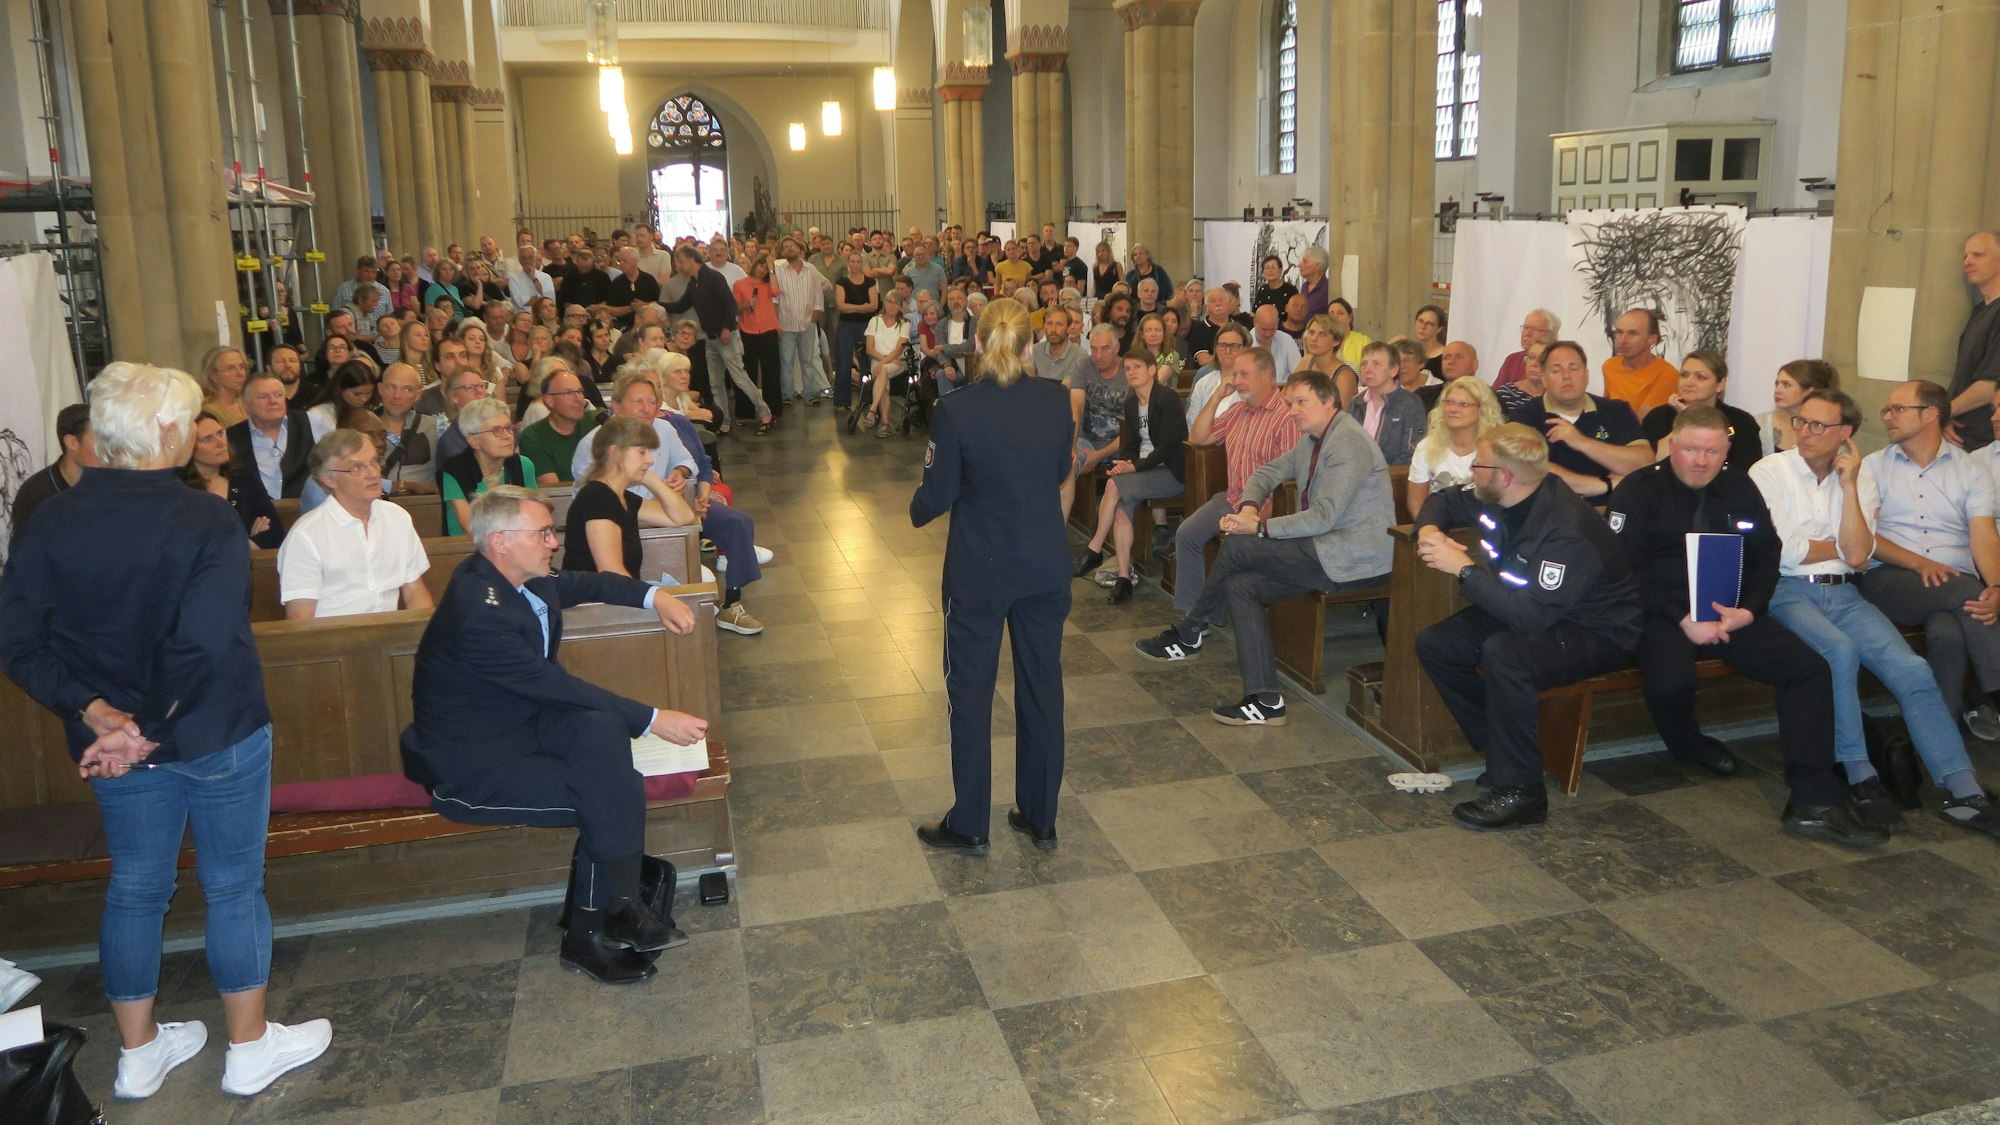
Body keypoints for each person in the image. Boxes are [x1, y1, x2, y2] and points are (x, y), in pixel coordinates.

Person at [0, 362, 333, 1099]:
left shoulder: (49, 518)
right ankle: (248, 1046)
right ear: (161, 431)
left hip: (113, 747)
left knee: (137, 887)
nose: (190, 432)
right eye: (185, 419)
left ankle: (138, 1051)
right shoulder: (201, 516)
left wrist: (95, 713)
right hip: (214, 733)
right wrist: (140, 724)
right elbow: (206, 639)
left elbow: (17, 639)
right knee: (234, 885)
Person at [400, 485, 707, 984]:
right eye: (543, 532)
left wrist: (657, 595)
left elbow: (591, 583)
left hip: (521, 726)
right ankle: (591, 936)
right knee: (608, 791)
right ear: (500, 541)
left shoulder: (525, 579)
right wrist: (654, 718)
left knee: (601, 734)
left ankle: (621, 906)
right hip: (471, 762)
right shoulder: (479, 610)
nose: (553, 542)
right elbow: (551, 684)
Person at [1605, 408, 1884, 845]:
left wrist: (1749, 611)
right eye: (1692, 449)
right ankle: (1690, 747)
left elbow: (1764, 555)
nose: (1701, 460)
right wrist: (1684, 618)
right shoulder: (1639, 490)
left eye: (1712, 451)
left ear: (1726, 451)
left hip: (1729, 608)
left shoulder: (1739, 487)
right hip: (1660, 611)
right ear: (1672, 446)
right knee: (1669, 682)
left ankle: (1813, 799)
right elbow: (1625, 570)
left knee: (1808, 668)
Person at [1752, 388, 2000, 837]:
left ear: (1844, 433)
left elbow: (1857, 552)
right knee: (1839, 653)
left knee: (1911, 669)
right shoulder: (1770, 470)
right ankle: (1862, 777)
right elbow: (1784, 551)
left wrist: (1846, 489)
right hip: (1786, 592)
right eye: (1801, 422)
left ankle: (1964, 790)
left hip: (1844, 595)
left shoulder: (1858, 476)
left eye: (1818, 426)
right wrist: (1837, 549)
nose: (1805, 433)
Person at [1411, 423, 1643, 830]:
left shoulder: (1565, 530)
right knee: (1437, 644)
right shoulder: (1502, 495)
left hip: (1596, 629)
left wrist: (1464, 569)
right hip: (1534, 606)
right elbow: (1444, 500)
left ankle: (1522, 791)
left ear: (1505, 475)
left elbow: (1530, 620)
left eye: (1477, 466)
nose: (1471, 473)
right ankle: (1500, 751)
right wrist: (1430, 530)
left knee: (1505, 653)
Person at [1136, 370, 1394, 724]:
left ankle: (1191, 630)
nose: (1293, 411)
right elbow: (1265, 473)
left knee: (1240, 547)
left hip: (1354, 559)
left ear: (1329, 401)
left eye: (1301, 402)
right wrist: (1248, 506)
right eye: (1289, 403)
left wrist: (1258, 527)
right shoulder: (1313, 439)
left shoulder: (1348, 442)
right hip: (1322, 550)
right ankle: (1265, 699)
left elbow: (1323, 517)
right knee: (1242, 587)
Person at [909, 297, 1073, 855]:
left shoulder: (957, 409)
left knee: (971, 693)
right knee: (1042, 688)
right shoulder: (1055, 400)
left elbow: (936, 496)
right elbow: (1058, 472)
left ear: (977, 344)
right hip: (1044, 564)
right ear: (1030, 346)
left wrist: (917, 499)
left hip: (980, 571)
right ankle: (1039, 814)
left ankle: (971, 820)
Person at [1860, 379, 2000, 743]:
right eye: (1887, 410)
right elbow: (1864, 538)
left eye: (1898, 409)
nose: (1888, 416)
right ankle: (1994, 694)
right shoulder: (1872, 467)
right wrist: (1918, 563)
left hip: (1953, 587)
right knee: (1968, 593)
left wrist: (1998, 586)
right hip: (1892, 577)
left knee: (1946, 632)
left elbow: (1983, 534)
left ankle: (1940, 737)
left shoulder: (1970, 470)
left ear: (1931, 413)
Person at [1174, 346, 1301, 618]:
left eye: (1244, 374)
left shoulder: (1286, 418)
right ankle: (1192, 614)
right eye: (1235, 374)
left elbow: (1287, 483)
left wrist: (1254, 522)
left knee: (1234, 544)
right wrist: (1218, 395)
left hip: (1266, 507)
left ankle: (1205, 616)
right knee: (1187, 534)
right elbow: (1197, 438)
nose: (1236, 381)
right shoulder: (1238, 411)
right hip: (1231, 498)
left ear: (1267, 375)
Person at [1073, 349, 1191, 602]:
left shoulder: (1166, 398)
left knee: (1113, 488)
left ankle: (1095, 548)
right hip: (1142, 471)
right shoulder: (1131, 402)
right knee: (1119, 507)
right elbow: (1130, 443)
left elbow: (1169, 446)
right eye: (1127, 368)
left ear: (1152, 370)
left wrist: (1133, 467)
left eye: (1137, 366)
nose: (1131, 372)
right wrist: (1124, 462)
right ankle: (1124, 577)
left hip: (1168, 472)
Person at [277, 430, 433, 619]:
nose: (373, 474)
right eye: (357, 468)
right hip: (334, 642)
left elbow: (415, 592)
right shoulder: (306, 535)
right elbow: (301, 620)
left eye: (374, 462)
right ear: (329, 479)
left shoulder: (397, 517)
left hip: (392, 638)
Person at [1504, 340, 1651, 498]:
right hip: (1552, 512)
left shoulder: (1617, 410)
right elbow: (1529, 469)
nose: (1566, 376)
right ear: (1544, 379)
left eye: (1574, 368)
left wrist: (1581, 442)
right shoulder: (1525, 416)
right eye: (1556, 370)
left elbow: (1644, 463)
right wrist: (1605, 484)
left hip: (1614, 510)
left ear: (1586, 376)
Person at [563, 417, 697, 577]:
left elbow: (683, 517)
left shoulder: (621, 497)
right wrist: (654, 598)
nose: (651, 460)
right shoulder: (597, 499)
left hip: (618, 596)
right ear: (615, 453)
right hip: (596, 600)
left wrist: (649, 478)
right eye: (642, 452)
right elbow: (612, 575)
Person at [663, 244, 770, 433]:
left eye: (680, 261)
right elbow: (680, 305)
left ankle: (764, 411)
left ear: (691, 260)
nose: (678, 265)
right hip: (709, 338)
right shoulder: (693, 283)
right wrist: (654, 304)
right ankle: (724, 422)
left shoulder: (712, 277)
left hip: (725, 336)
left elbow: (729, 303)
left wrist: (726, 328)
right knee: (716, 383)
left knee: (739, 377)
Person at [1640, 350, 1761, 468]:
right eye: (1684, 375)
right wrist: (1686, 419)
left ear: (1720, 384)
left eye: (1701, 377)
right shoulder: (1658, 417)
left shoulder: (1741, 421)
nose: (1689, 382)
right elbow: (1655, 462)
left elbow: (1745, 470)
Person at [1407, 376, 1506, 514]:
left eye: (1464, 404)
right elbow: (1416, 502)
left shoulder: (1497, 449)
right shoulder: (1426, 447)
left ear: (1482, 409)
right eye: (1449, 402)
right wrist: (1427, 529)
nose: (1453, 409)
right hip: (1435, 527)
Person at [186, 411, 284, 549]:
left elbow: (274, 532)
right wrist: (247, 544)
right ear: (188, 448)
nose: (221, 443)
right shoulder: (181, 487)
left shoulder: (243, 476)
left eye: (220, 434)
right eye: (207, 439)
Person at [441, 397, 537, 536]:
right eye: (496, 430)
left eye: (508, 428)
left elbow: (533, 515)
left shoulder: (523, 465)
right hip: (467, 549)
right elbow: (470, 527)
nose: (507, 436)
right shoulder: (455, 470)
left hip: (514, 545)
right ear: (474, 441)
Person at [9, 402, 95, 549]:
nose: (109, 448)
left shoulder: (112, 481)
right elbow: (26, 559)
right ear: (72, 442)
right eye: (99, 440)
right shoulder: (35, 496)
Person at [1946, 230, 2000, 451]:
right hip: (1961, 435)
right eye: (1965, 256)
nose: (1967, 262)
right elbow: (1963, 375)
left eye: (1978, 255)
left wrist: (1940, 414)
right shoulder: (1978, 311)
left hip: (1986, 442)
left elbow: (1990, 385)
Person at [228, 372, 315, 500]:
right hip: (258, 516)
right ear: (246, 404)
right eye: (263, 397)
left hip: (307, 512)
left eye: (278, 395)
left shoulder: (311, 423)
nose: (273, 401)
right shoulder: (230, 437)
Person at [1344, 340, 1426, 466]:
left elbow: (1411, 454)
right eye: (1364, 364)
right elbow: (1343, 445)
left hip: (1393, 479)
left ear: (1393, 370)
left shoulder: (1410, 404)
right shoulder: (1355, 403)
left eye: (1376, 364)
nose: (1368, 369)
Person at [775, 237, 831, 406]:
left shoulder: (811, 269)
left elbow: (818, 296)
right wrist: (777, 323)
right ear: (782, 252)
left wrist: (814, 320)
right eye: (785, 247)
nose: (789, 249)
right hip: (786, 324)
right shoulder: (778, 271)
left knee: (808, 361)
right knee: (786, 363)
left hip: (807, 324)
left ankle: (810, 394)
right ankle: (786, 395)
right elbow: (775, 297)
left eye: (792, 246)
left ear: (799, 249)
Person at [519, 369, 598, 486]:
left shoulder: (596, 422)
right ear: (549, 400)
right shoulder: (533, 436)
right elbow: (554, 488)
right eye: (569, 393)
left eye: (580, 391)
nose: (578, 399)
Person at [1601, 308, 1679, 417]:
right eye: (1619, 332)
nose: (1622, 341)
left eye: (1632, 334)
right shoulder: (1609, 366)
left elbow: (1643, 423)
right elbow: (1606, 410)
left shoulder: (1666, 374)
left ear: (1651, 339)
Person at [375, 362, 441, 488]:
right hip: (377, 504)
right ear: (380, 389)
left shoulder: (437, 428)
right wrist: (402, 486)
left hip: (424, 505)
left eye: (407, 389)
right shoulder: (362, 427)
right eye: (390, 387)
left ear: (418, 396)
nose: (397, 396)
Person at [858, 290, 912, 439]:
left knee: (883, 370)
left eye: (895, 303)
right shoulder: (874, 321)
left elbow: (899, 349)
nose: (891, 305)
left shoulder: (905, 323)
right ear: (884, 303)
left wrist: (883, 362)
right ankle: (885, 423)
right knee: (884, 377)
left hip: (898, 362)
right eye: (889, 301)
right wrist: (883, 361)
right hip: (880, 360)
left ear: (900, 306)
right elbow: (869, 348)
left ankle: (873, 409)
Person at [1757, 358, 1837, 457]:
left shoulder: (1827, 430)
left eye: (1786, 385)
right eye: (1777, 384)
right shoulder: (1758, 424)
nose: (1778, 390)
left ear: (1809, 392)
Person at [305, 360, 380, 442]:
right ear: (340, 389)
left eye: (368, 393)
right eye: (357, 394)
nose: (364, 399)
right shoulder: (318, 415)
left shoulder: (376, 409)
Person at [1493, 309, 1560, 389]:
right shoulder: (1512, 360)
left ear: (1552, 335)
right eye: (1525, 328)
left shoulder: (1558, 362)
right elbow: (1494, 395)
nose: (1527, 334)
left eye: (1536, 329)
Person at [602, 247, 662, 331]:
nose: (620, 264)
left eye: (624, 261)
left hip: (648, 326)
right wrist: (630, 308)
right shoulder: (616, 283)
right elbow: (610, 309)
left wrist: (645, 305)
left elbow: (659, 303)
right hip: (623, 326)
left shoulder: (649, 280)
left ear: (635, 261)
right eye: (619, 261)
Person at [199, 346, 251, 428]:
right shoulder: (207, 412)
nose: (240, 373)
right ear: (213, 376)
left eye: (242, 367)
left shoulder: (248, 404)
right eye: (230, 369)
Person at [1251, 304, 1302, 380]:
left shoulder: (1286, 340)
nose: (1268, 334)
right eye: (1264, 329)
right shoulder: (1245, 342)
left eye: (1272, 329)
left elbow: (1299, 374)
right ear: (1255, 322)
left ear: (1278, 322)